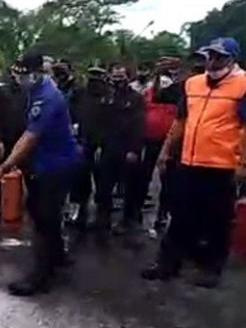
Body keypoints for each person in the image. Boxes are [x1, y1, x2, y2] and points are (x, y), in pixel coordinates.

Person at [142, 37, 246, 288]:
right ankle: (168, 264)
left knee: (217, 219)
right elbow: (180, 122)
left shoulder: (242, 85)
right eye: (209, 56)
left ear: (232, 60)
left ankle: (211, 267)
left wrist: (242, 164)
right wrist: (166, 151)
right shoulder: (193, 84)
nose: (212, 61)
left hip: (222, 165)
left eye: (219, 57)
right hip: (189, 160)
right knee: (180, 214)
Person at [0, 50, 79, 296]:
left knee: (43, 218)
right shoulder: (36, 90)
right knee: (47, 214)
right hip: (46, 162)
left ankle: (40, 277)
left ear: (38, 73)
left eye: (24, 75)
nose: (19, 80)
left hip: (56, 165)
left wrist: (4, 166)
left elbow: (30, 137)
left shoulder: (47, 98)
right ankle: (58, 258)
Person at [94, 64, 145, 237]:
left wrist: (134, 149)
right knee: (104, 186)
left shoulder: (136, 98)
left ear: (128, 77)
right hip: (108, 146)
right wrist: (98, 145)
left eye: (121, 76)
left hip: (127, 147)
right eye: (115, 76)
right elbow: (99, 123)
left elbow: (139, 125)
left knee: (130, 188)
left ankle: (128, 220)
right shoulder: (106, 97)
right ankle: (103, 218)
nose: (117, 80)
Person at [134, 57, 182, 230]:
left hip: (169, 140)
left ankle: (162, 214)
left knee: (167, 179)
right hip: (148, 138)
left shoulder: (179, 90)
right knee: (142, 175)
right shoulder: (148, 89)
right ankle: (135, 210)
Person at [67, 66, 108, 229]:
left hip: (102, 144)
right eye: (92, 76)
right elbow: (70, 114)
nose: (95, 79)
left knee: (102, 181)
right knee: (78, 179)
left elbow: (112, 121)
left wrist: (103, 143)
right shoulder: (80, 93)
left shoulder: (108, 95)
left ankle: (101, 215)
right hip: (81, 141)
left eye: (98, 76)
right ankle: (78, 212)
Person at [0, 65, 28, 156]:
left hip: (24, 136)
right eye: (15, 72)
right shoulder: (2, 91)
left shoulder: (28, 91)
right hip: (7, 137)